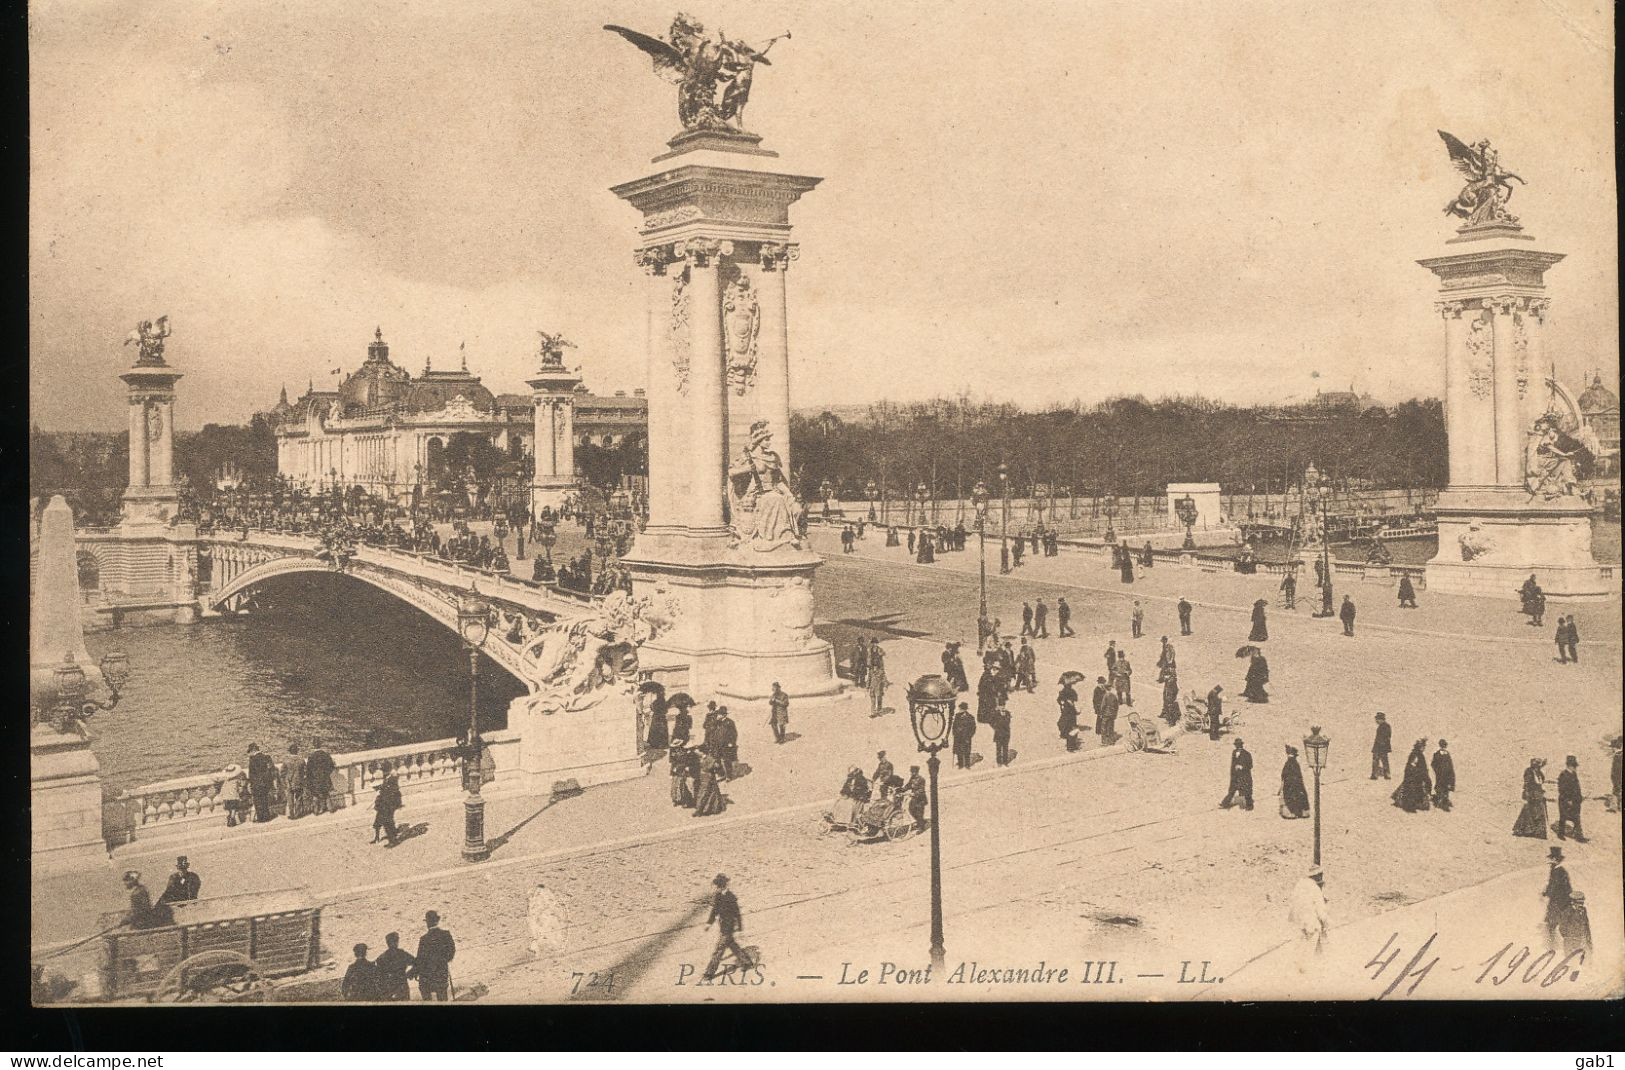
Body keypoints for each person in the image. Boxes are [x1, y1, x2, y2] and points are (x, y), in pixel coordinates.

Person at [704, 874, 750, 980]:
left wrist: (739, 929)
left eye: (718, 885)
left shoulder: (731, 897)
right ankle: (746, 962)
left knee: (719, 949)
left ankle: (709, 972)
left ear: (722, 885)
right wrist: (709, 923)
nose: (716, 888)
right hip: (723, 925)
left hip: (728, 927)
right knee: (732, 945)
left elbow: (737, 914)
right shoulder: (718, 896)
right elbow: (714, 911)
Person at [1287, 869, 1330, 971]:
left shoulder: (1299, 885)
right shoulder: (1315, 889)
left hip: (1298, 920)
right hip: (1311, 921)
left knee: (1301, 943)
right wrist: (1326, 922)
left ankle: (1301, 964)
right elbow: (1320, 910)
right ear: (1317, 875)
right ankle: (1307, 968)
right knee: (1312, 943)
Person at [410, 911, 456, 1001]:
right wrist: (442, 961)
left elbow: (420, 959)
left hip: (426, 977)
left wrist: (414, 972)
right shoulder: (446, 935)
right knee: (442, 999)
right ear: (437, 921)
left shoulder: (424, 939)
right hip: (441, 974)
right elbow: (451, 952)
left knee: (427, 999)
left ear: (427, 922)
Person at [1541, 847, 1571, 949]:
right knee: (1553, 923)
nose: (1551, 861)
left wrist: (1547, 893)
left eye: (1552, 859)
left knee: (1552, 923)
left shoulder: (1558, 871)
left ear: (1556, 860)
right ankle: (1553, 944)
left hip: (1559, 901)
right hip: (1560, 901)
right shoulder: (1557, 870)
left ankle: (1552, 946)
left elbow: (1554, 886)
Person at [1391, 739, 1432, 812]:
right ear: (1420, 747)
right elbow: (1412, 766)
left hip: (1414, 777)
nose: (1424, 748)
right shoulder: (1417, 754)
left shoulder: (1416, 754)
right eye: (1423, 746)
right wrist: (1421, 774)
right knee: (1413, 791)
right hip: (1414, 778)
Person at [1513, 758, 1550, 838]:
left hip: (1538, 795)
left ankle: (1538, 832)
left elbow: (1541, 782)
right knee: (1528, 812)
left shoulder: (1539, 772)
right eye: (1537, 764)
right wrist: (1526, 795)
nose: (1538, 766)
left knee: (1539, 813)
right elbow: (1527, 784)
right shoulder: (1529, 771)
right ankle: (1525, 831)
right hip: (1531, 795)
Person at [373, 932, 414, 1000]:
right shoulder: (402, 954)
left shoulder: (382, 957)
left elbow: (378, 976)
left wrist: (410, 972)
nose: (394, 943)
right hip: (401, 986)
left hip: (390, 987)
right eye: (393, 941)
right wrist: (411, 973)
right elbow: (417, 962)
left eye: (395, 941)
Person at [1555, 755, 1586, 842]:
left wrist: (1580, 797)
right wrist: (1568, 800)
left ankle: (1579, 836)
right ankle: (1560, 834)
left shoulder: (1574, 774)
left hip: (1575, 800)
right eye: (1573, 766)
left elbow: (1577, 787)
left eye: (1575, 766)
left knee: (1576, 818)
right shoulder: (1563, 775)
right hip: (1565, 800)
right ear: (1569, 765)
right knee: (1563, 817)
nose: (1575, 768)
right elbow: (1562, 789)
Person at [372, 765, 402, 846]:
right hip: (384, 804)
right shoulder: (387, 779)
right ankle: (380, 838)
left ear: (388, 771)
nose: (383, 773)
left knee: (387, 822)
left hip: (388, 805)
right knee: (380, 820)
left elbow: (394, 792)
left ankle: (393, 841)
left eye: (384, 771)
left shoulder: (392, 779)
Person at [305, 740, 337, 816]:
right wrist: (326, 774)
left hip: (315, 779)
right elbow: (331, 766)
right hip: (325, 777)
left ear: (313, 746)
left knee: (315, 795)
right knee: (326, 793)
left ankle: (316, 811)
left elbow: (308, 770)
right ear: (320, 745)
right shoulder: (326, 755)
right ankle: (330, 808)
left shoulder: (311, 757)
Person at [1220, 739, 1254, 810]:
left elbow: (1250, 765)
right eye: (1236, 745)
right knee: (1232, 790)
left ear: (1241, 745)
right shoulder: (1234, 752)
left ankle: (1249, 806)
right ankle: (1225, 803)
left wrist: (1242, 767)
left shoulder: (1247, 754)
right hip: (1235, 776)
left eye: (1238, 744)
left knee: (1247, 792)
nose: (1237, 746)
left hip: (1244, 776)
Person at [247, 743, 275, 823]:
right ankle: (266, 816)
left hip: (256, 784)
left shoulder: (252, 760)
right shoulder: (266, 757)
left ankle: (261, 818)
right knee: (265, 800)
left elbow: (251, 774)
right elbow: (271, 769)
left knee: (258, 801)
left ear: (253, 750)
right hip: (266, 783)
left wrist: (251, 784)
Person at [692, 752, 727, 817]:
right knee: (709, 792)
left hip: (708, 777)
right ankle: (706, 809)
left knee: (705, 793)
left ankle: (701, 810)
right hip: (703, 777)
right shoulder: (699, 758)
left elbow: (716, 766)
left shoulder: (709, 758)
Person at [1280, 746, 1309, 819]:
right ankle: (1301, 812)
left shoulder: (1288, 763)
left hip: (1290, 784)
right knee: (1299, 796)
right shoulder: (1295, 763)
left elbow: (1283, 774)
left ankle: (1291, 812)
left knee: (1290, 797)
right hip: (1297, 783)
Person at [1561, 891, 1593, 957]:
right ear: (1573, 902)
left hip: (1581, 940)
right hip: (1570, 941)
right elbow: (1562, 927)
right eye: (1579, 903)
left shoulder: (1583, 910)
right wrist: (1569, 937)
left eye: (1582, 903)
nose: (1581, 905)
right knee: (1570, 960)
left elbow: (1586, 925)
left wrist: (1588, 940)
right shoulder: (1567, 911)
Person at [283, 742, 307, 820]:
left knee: (290, 799)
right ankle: (297, 813)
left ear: (290, 751)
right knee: (299, 798)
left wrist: (285, 781)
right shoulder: (301, 760)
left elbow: (282, 772)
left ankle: (292, 814)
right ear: (297, 751)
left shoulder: (286, 760)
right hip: (299, 781)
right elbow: (305, 771)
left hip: (289, 782)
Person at [714, 707, 739, 778]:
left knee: (726, 760)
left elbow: (734, 734)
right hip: (718, 744)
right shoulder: (717, 722)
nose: (718, 715)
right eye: (718, 714)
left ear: (724, 715)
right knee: (717, 759)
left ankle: (729, 776)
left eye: (720, 714)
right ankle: (721, 774)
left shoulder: (730, 722)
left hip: (726, 744)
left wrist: (732, 742)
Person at [1431, 740, 1455, 811]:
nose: (1444, 747)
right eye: (1443, 746)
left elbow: (1450, 764)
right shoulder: (1436, 754)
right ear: (1440, 746)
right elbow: (1433, 764)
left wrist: (1451, 772)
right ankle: (1440, 801)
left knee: (1446, 787)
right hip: (1440, 775)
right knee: (1440, 786)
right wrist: (1437, 771)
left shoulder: (1447, 754)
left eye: (1445, 746)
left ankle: (1445, 800)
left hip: (1447, 774)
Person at [669, 741, 695, 807]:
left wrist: (680, 768)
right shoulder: (673, 753)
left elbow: (685, 763)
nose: (675, 748)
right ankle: (675, 800)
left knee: (681, 786)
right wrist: (671, 773)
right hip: (675, 772)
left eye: (676, 746)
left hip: (681, 771)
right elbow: (673, 764)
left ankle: (684, 801)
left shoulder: (684, 753)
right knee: (674, 786)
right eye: (674, 747)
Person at [1057, 681, 1081, 752]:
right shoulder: (1072, 691)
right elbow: (1076, 699)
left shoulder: (1062, 692)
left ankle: (1071, 746)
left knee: (1069, 729)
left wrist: (1062, 704)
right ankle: (1071, 746)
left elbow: (1058, 700)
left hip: (1066, 713)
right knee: (1072, 729)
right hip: (1071, 714)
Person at [952, 703, 977, 769]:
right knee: (959, 751)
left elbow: (973, 728)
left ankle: (967, 765)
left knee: (967, 751)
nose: (959, 710)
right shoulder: (957, 716)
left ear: (964, 709)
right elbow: (954, 726)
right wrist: (955, 733)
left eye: (960, 709)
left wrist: (969, 736)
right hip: (958, 737)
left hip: (966, 738)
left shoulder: (971, 717)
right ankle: (960, 765)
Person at [867, 640, 888, 717]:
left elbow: (884, 677)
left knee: (879, 698)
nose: (874, 644)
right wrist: (867, 687)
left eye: (876, 643)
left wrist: (885, 685)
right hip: (872, 687)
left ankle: (879, 710)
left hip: (879, 687)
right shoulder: (870, 650)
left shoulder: (879, 649)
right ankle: (873, 712)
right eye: (873, 643)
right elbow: (869, 679)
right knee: (872, 699)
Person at [1370, 713, 1392, 780]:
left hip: (1381, 747)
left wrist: (1381, 744)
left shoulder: (1386, 726)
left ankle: (1384, 775)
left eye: (1377, 719)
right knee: (1379, 761)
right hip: (1379, 747)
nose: (1376, 721)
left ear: (1381, 719)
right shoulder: (1382, 726)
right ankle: (1377, 775)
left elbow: (1387, 737)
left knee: (1381, 761)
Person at [991, 702, 1013, 767]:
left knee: (1005, 748)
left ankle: (1005, 762)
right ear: (998, 706)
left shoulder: (1007, 713)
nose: (1002, 707)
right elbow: (993, 723)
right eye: (1001, 706)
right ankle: (999, 763)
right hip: (998, 734)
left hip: (1006, 734)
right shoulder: (995, 714)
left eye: (1003, 705)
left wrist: (1002, 721)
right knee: (998, 749)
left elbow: (1008, 722)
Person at [1608, 736, 1623, 814]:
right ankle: (1618, 806)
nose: (1611, 750)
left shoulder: (1618, 756)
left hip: (1617, 777)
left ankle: (1614, 807)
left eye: (1612, 748)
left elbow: (1616, 770)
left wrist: (1614, 778)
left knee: (1616, 790)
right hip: (1617, 777)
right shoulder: (1618, 755)